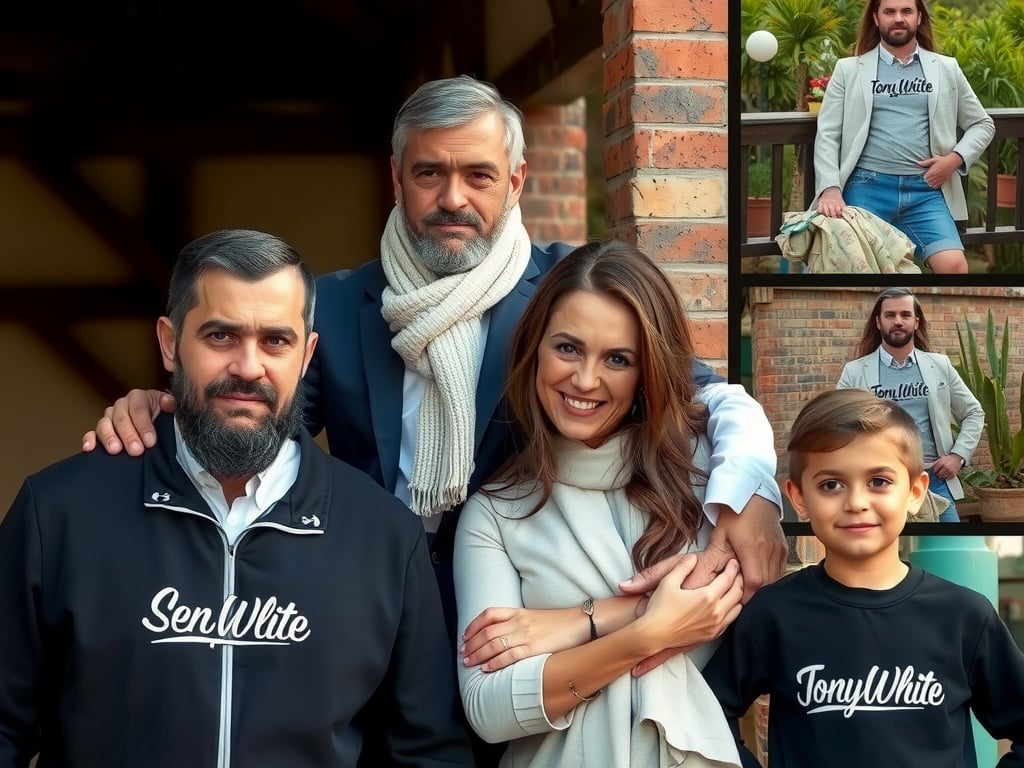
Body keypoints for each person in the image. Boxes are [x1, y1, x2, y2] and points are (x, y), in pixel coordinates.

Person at [81, 75, 786, 763]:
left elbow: (705, 397)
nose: (453, 199)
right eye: (429, 174)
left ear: (515, 182)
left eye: (478, 175)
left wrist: (751, 491)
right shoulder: (335, 307)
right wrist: (164, 402)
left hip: (523, 631)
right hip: (374, 633)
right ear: (396, 177)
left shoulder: (566, 296)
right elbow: (263, 439)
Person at [0, 230, 473, 767]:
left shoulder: (384, 535)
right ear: (169, 343)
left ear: (307, 353)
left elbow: (428, 753)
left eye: (276, 341)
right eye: (221, 337)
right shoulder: (58, 514)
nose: (249, 367)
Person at [453, 241, 770, 767]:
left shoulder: (713, 472)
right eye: (568, 348)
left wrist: (579, 623)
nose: (585, 380)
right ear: (535, 347)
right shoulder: (497, 512)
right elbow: (488, 708)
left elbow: (734, 584)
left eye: (617, 359)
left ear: (649, 369)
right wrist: (646, 629)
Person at [701, 388, 1024, 768]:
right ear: (799, 497)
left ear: (916, 492)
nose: (856, 502)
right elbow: (707, 714)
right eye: (831, 485)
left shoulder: (964, 615)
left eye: (879, 482)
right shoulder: (773, 614)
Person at [813, 0, 994, 274]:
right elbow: (828, 133)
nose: (898, 18)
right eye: (890, 12)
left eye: (906, 11)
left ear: (919, 17)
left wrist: (954, 160)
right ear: (876, 18)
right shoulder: (849, 69)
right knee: (860, 268)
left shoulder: (946, 68)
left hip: (926, 191)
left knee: (955, 267)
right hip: (866, 187)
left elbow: (982, 123)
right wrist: (830, 188)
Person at [836, 287, 983, 522]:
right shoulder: (854, 372)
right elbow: (836, 426)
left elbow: (974, 412)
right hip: (879, 485)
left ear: (916, 322)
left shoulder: (939, 365)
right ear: (878, 321)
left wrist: (958, 455)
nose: (898, 321)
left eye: (905, 315)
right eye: (890, 315)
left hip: (934, 480)